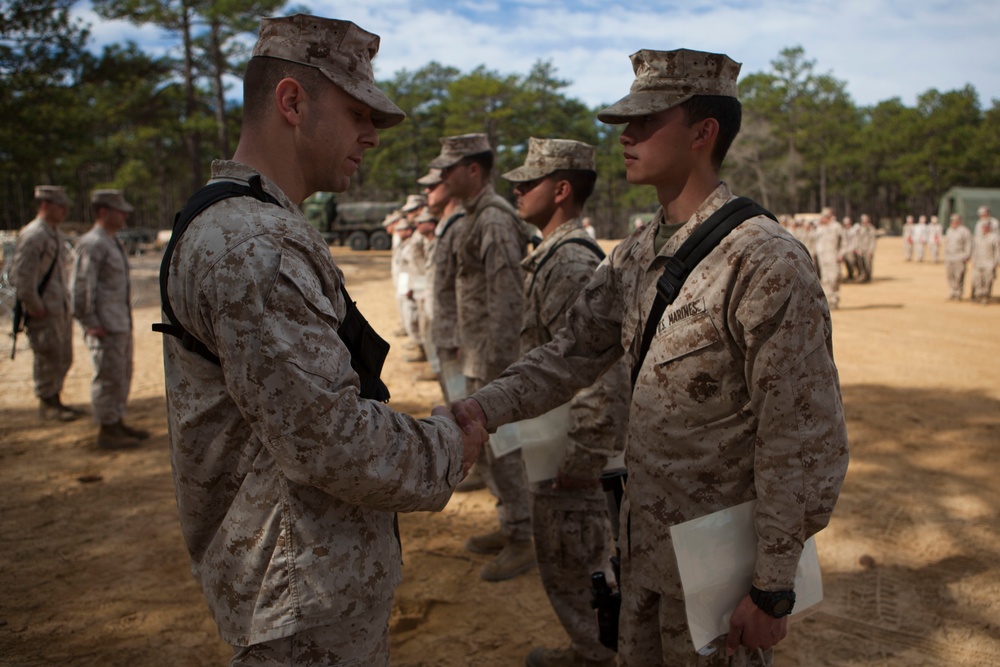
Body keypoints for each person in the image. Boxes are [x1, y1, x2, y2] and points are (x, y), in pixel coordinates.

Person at [451, 48, 849, 666]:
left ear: (703, 132)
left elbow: (802, 436)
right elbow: (569, 355)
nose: (626, 136)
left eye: (646, 121)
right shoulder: (634, 256)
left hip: (717, 570)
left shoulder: (765, 261)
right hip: (642, 550)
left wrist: (773, 588)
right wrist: (482, 407)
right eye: (624, 123)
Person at [159, 15, 487, 666]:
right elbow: (330, 440)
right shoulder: (260, 245)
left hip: (298, 580)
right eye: (357, 112)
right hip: (301, 597)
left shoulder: (243, 220)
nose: (370, 135)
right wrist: (450, 443)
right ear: (291, 101)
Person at [501, 137, 628, 667]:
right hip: (553, 447)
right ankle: (589, 651)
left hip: (570, 458)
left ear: (560, 190)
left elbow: (603, 373)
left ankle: (595, 658)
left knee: (579, 570)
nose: (515, 189)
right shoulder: (552, 257)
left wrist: (581, 460)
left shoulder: (572, 264)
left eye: (527, 182)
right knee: (568, 566)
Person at [430, 132, 536, 581]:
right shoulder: (475, 217)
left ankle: (523, 536)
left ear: (473, 169)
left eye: (449, 168)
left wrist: (500, 372)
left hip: (493, 361)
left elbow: (507, 299)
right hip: (477, 357)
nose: (442, 175)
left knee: (506, 452)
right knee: (493, 454)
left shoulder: (493, 219)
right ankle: (509, 522)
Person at [71, 189, 149, 449]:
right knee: (106, 376)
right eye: (120, 210)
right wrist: (91, 322)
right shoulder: (92, 243)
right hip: (104, 325)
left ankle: (115, 422)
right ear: (104, 211)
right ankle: (107, 430)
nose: (126, 214)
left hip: (117, 323)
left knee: (120, 374)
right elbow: (81, 287)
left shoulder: (110, 241)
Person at [10, 185, 83, 421]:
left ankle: (56, 399)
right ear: (45, 205)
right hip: (43, 311)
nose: (64, 210)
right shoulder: (34, 234)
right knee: (47, 356)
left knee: (62, 356)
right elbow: (21, 276)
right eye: (59, 206)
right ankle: (47, 402)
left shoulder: (53, 233)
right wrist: (34, 305)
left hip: (57, 308)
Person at [815, 207, 844, 309]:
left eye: (825, 217)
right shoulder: (820, 228)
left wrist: (841, 253)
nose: (823, 219)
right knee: (825, 280)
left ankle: (834, 300)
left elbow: (844, 241)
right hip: (823, 258)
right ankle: (828, 301)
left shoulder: (836, 227)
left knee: (833, 279)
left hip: (833, 257)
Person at [971, 215, 1000, 304]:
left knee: (987, 281)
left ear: (989, 227)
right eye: (983, 227)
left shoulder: (994, 238)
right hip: (978, 262)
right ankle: (978, 295)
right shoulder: (977, 238)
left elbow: (997, 251)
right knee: (977, 280)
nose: (984, 228)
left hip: (989, 262)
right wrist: (974, 260)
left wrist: (997, 261)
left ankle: (985, 296)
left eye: (986, 226)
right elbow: (974, 250)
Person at [944, 213, 972, 300]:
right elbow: (947, 244)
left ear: (959, 221)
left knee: (959, 276)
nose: (953, 222)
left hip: (960, 257)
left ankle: (958, 293)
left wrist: (967, 255)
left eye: (955, 220)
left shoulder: (964, 231)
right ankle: (952, 292)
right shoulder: (949, 230)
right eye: (951, 221)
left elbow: (969, 244)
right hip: (950, 257)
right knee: (950, 276)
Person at [856, 214, 877, 282]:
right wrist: (858, 248)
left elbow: (872, 241)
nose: (864, 221)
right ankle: (863, 276)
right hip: (861, 249)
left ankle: (868, 277)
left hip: (868, 249)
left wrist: (871, 250)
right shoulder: (860, 228)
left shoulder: (871, 229)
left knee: (868, 264)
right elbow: (858, 239)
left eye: (865, 219)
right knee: (861, 264)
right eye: (862, 220)